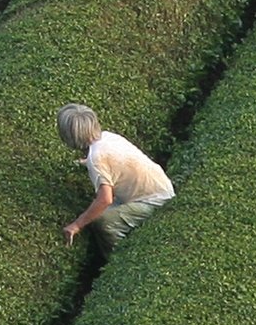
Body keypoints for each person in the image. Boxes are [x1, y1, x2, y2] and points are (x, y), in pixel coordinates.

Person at [59, 103, 173, 241]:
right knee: (96, 210)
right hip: (163, 187)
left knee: (104, 221)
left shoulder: (97, 159)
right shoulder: (108, 137)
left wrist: (77, 225)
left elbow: (105, 199)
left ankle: (118, 255)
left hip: (154, 201)